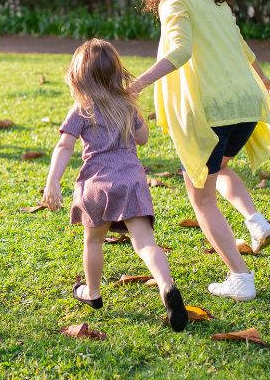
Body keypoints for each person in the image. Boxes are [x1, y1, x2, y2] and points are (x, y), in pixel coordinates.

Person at [127, 0, 270, 302]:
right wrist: (262, 77)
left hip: (213, 111)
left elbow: (179, 51)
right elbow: (242, 46)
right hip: (246, 105)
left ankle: (240, 278)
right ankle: (255, 221)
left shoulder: (175, 1)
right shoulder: (217, 3)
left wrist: (138, 83)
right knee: (217, 169)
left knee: (202, 199)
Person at [41, 39, 188, 332]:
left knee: (93, 241)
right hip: (131, 179)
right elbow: (143, 138)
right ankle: (167, 286)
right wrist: (134, 110)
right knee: (145, 243)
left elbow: (64, 146)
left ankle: (92, 294)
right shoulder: (126, 103)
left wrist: (53, 181)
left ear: (79, 76)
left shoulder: (81, 107)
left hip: (96, 183)